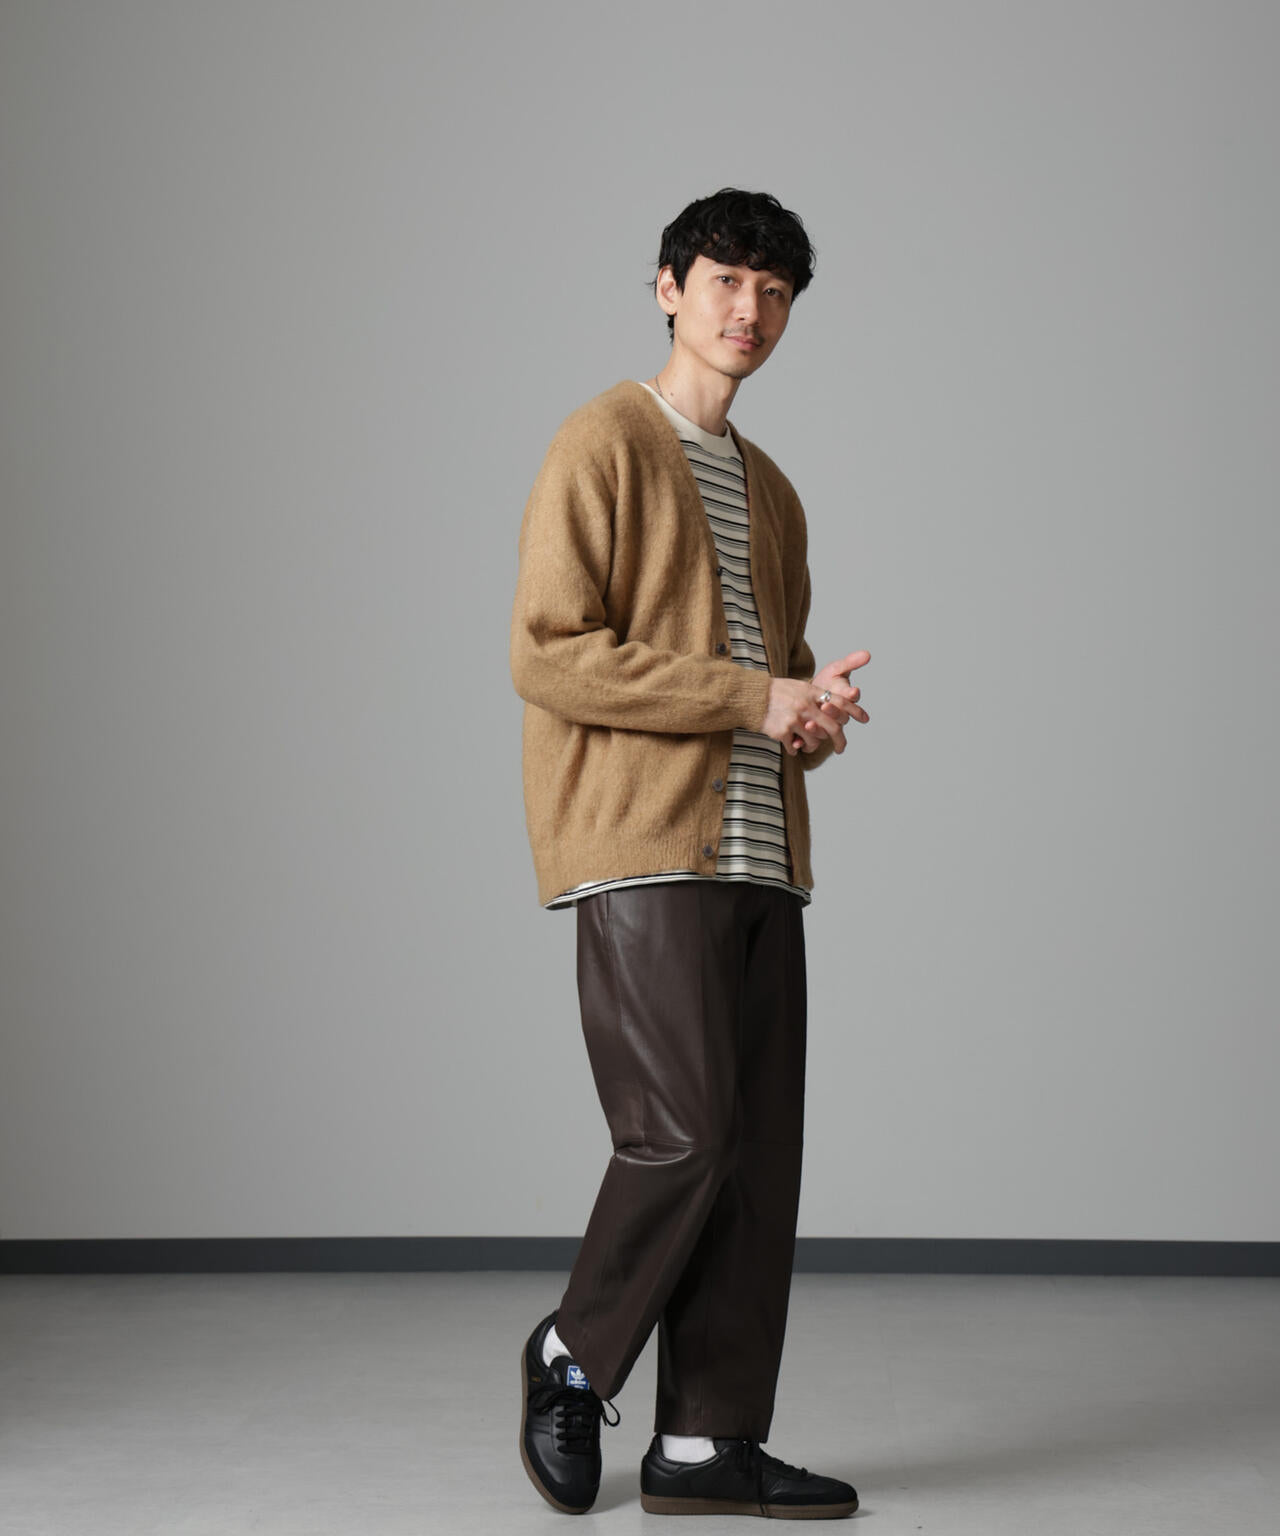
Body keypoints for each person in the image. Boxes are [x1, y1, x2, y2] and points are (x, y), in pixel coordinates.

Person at [509, 187, 869, 1520]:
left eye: (775, 292)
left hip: (763, 858)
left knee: (756, 1164)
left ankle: (708, 1446)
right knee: (687, 1135)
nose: (749, 310)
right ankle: (571, 1351)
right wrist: (750, 697)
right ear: (668, 287)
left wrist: (808, 719)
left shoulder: (773, 493)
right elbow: (549, 653)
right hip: (645, 847)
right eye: (726, 280)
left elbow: (772, 685)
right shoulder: (602, 440)